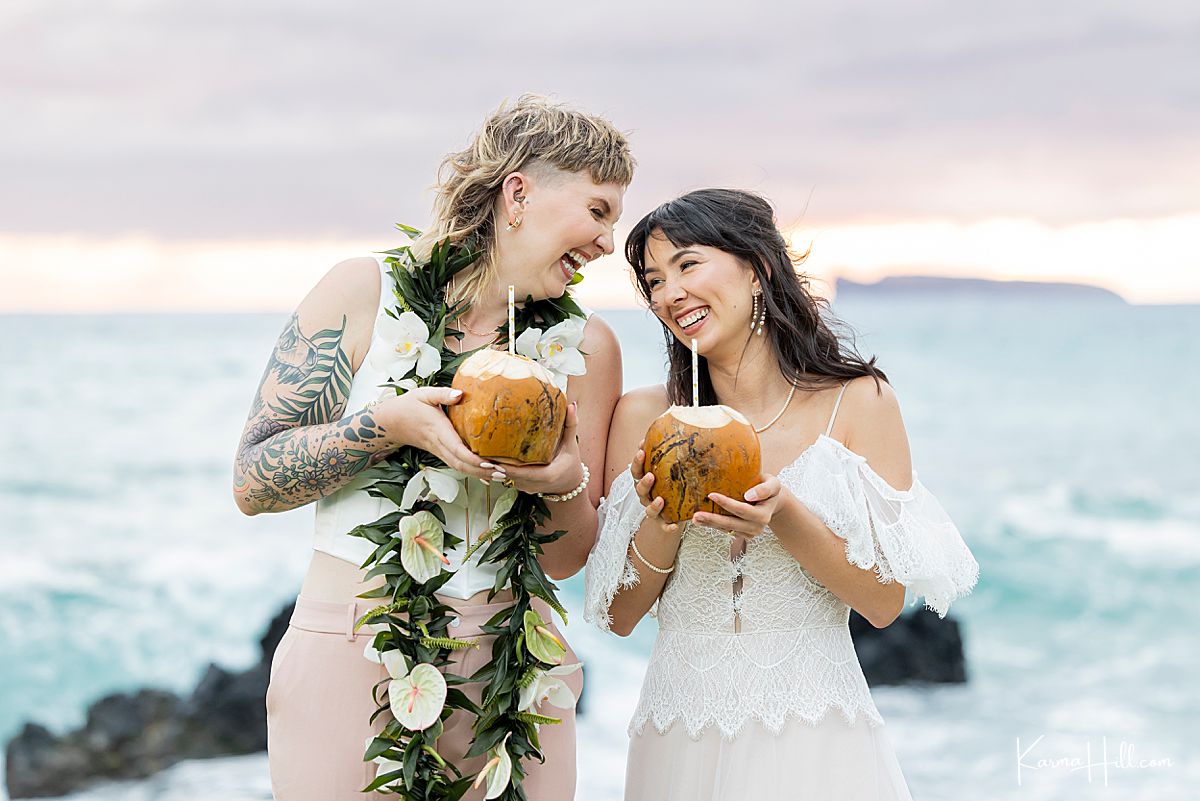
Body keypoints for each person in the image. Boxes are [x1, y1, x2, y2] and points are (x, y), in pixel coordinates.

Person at [233, 95, 634, 800]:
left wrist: (562, 477)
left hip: (516, 676)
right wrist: (385, 427)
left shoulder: (588, 348)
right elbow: (253, 481)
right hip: (354, 654)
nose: (608, 243)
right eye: (599, 211)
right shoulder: (364, 292)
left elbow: (568, 557)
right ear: (519, 192)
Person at [584, 188, 979, 800]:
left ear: (758, 268)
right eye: (654, 281)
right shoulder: (645, 416)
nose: (668, 294)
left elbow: (883, 603)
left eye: (687, 265)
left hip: (815, 730)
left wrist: (785, 515)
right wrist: (663, 520)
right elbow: (618, 615)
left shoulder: (858, 402)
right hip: (678, 729)